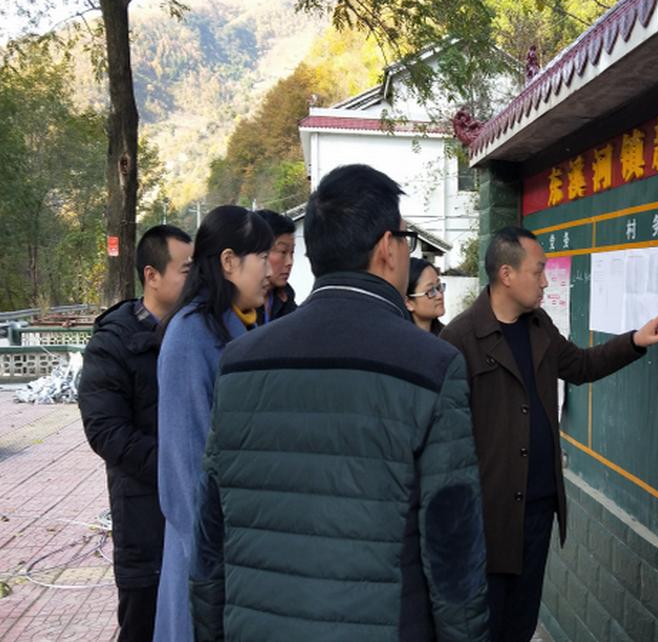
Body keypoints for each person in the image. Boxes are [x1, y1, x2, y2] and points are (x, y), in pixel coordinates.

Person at [188, 164, 489, 642]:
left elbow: (209, 538)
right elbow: (453, 549)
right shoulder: (432, 366)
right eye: (406, 239)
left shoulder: (240, 362)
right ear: (387, 247)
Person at [441, 226, 658, 642]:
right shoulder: (460, 339)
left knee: (521, 622)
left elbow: (580, 366)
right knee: (484, 623)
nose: (546, 281)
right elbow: (446, 440)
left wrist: (635, 342)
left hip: (538, 505)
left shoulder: (538, 326)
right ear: (507, 274)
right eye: (538, 270)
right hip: (488, 516)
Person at [153, 206, 273, 642]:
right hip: (207, 560)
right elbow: (188, 474)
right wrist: (213, 566)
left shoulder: (241, 327)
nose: (271, 270)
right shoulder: (191, 335)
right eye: (263, 257)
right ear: (228, 262)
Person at [79, 225, 193, 642]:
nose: (196, 280)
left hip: (193, 506)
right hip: (144, 513)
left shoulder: (196, 332)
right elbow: (105, 431)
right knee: (144, 619)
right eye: (186, 270)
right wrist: (176, 465)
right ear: (152, 275)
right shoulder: (112, 343)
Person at [255, 209, 297, 323]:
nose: (290, 262)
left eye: (292, 253)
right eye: (283, 252)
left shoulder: (287, 299)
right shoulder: (239, 303)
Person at [406, 256, 445, 334]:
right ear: (408, 303)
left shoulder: (450, 336)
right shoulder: (398, 339)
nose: (439, 296)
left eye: (438, 287)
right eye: (430, 291)